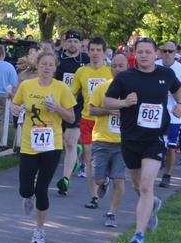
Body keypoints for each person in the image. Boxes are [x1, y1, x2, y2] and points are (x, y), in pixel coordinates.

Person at [103, 38, 181, 243]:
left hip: (155, 138)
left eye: (148, 52)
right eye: (140, 52)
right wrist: (124, 103)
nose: (144, 55)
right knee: (138, 186)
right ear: (135, 54)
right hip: (130, 138)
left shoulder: (165, 74)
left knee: (147, 185)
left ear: (155, 54)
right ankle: (153, 204)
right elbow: (106, 101)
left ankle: (139, 235)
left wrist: (180, 104)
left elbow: (179, 89)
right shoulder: (125, 77)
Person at [8, 51, 75, 243]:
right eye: (43, 64)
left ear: (55, 68)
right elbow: (16, 104)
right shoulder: (27, 86)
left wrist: (58, 109)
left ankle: (39, 229)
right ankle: (27, 197)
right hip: (30, 144)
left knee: (42, 188)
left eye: (50, 65)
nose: (47, 68)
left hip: (52, 143)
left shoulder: (61, 88)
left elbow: (71, 118)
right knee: (25, 189)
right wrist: (14, 108)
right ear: (38, 66)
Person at [86, 52, 130, 226]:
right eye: (114, 66)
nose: (117, 69)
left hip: (122, 143)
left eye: (121, 66)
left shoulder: (133, 90)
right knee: (98, 179)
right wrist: (109, 111)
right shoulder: (102, 88)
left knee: (119, 179)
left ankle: (111, 213)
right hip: (101, 140)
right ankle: (102, 184)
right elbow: (91, 110)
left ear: (128, 67)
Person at [72, 37, 113, 204]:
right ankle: (94, 196)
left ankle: (105, 179)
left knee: (105, 157)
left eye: (99, 50)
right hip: (87, 119)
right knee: (89, 158)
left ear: (104, 53)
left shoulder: (110, 72)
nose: (95, 53)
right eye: (92, 50)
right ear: (87, 51)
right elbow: (72, 94)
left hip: (106, 120)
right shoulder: (81, 72)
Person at [54, 30, 90, 195]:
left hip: (77, 107)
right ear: (64, 42)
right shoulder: (57, 59)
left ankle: (65, 180)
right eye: (70, 41)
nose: (73, 44)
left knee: (69, 143)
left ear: (80, 44)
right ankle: (77, 152)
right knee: (59, 142)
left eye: (76, 41)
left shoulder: (86, 60)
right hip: (57, 105)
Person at [157, 41, 181, 187]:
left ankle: (167, 175)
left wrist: (174, 92)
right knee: (154, 144)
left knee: (171, 146)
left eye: (170, 51)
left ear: (176, 54)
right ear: (160, 52)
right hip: (155, 114)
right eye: (164, 51)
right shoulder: (153, 65)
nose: (167, 54)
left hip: (173, 114)